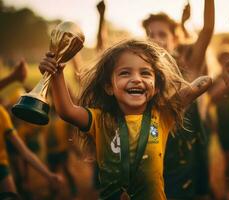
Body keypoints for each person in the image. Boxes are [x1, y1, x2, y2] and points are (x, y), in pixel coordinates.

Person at [39, 39, 212, 200]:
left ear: (156, 86)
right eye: (125, 73)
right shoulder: (100, 120)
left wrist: (202, 82)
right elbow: (67, 111)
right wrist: (56, 74)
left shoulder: (161, 116)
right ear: (108, 86)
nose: (136, 79)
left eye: (145, 73)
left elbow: (198, 86)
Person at [142, 0, 214, 199]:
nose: (156, 40)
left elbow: (207, 30)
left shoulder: (188, 70)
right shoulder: (141, 76)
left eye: (162, 34)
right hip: (156, 157)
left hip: (187, 158)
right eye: (150, 35)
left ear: (175, 39)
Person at [0, 60, 62, 195]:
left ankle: (23, 184)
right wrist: (13, 77)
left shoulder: (2, 115)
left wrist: (48, 175)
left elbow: (24, 152)